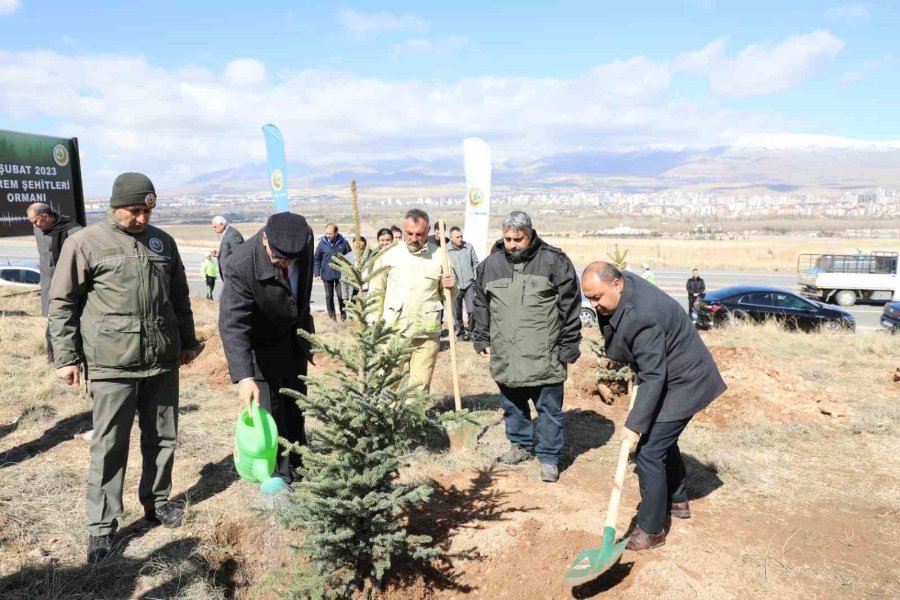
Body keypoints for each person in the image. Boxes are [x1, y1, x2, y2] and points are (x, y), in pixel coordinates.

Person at [48, 172, 199, 563]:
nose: (141, 219)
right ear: (114, 206)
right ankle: (101, 527)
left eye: (147, 212)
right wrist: (66, 357)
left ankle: (157, 502)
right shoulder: (85, 243)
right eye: (134, 211)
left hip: (161, 360)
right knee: (110, 445)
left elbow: (179, 297)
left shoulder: (162, 242)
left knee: (162, 436)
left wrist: (187, 342)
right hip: (111, 363)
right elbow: (62, 303)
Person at [581, 261, 726, 551]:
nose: (594, 305)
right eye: (589, 298)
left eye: (597, 297)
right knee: (660, 440)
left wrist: (634, 426)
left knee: (648, 452)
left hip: (686, 380)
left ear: (617, 284)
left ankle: (651, 529)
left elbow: (653, 375)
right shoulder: (623, 287)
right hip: (670, 372)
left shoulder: (642, 316)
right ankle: (677, 499)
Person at [472, 211, 582, 483]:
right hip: (506, 354)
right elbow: (481, 304)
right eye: (507, 239)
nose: (512, 244)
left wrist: (569, 344)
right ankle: (519, 445)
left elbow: (570, 305)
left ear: (530, 234)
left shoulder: (553, 261)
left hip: (545, 355)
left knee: (549, 410)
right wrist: (481, 337)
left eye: (518, 239)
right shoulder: (490, 266)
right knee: (513, 405)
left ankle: (549, 457)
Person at [219, 212, 315, 491]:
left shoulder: (304, 239)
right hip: (260, 346)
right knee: (271, 413)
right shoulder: (240, 264)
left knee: (295, 406)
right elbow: (233, 324)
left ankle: (299, 462)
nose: (286, 264)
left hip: (293, 339)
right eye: (279, 259)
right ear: (264, 239)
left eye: (291, 260)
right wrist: (244, 377)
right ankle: (279, 479)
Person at [369, 209, 456, 392]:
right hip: (393, 333)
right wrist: (373, 326)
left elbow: (449, 296)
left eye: (419, 234)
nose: (414, 239)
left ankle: (413, 412)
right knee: (387, 385)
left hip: (426, 334)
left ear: (428, 231)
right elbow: (376, 293)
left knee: (419, 387)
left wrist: (451, 286)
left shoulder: (440, 256)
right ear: (403, 229)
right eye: (409, 233)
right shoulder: (388, 255)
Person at [26, 202, 83, 362]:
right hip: (48, 286)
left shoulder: (75, 232)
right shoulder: (38, 231)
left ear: (45, 216)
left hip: (70, 286)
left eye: (35, 221)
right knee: (53, 322)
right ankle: (54, 358)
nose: (34, 225)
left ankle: (70, 357)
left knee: (69, 322)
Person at [447, 226, 479, 342]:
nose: (460, 239)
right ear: (451, 238)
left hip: (469, 285)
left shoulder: (469, 247)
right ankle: (460, 333)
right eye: (457, 237)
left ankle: (471, 332)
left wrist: (475, 278)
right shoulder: (445, 250)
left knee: (472, 310)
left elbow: (476, 263)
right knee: (457, 312)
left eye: (461, 236)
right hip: (455, 286)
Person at [314, 223, 351, 322]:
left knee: (341, 296)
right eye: (326, 233)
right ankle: (332, 318)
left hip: (340, 274)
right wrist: (317, 273)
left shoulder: (344, 243)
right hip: (326, 274)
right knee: (329, 296)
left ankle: (343, 315)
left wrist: (349, 272)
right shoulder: (322, 244)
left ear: (336, 233)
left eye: (330, 233)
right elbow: (317, 258)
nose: (328, 235)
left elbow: (350, 258)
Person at [212, 215, 243, 279]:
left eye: (215, 227)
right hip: (228, 274)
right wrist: (220, 254)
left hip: (232, 275)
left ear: (222, 225)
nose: (214, 229)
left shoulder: (233, 234)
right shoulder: (227, 233)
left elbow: (240, 255)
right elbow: (230, 251)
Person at [342, 235, 370, 303]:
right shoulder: (347, 258)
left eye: (361, 247)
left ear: (365, 246)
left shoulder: (371, 256)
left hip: (368, 290)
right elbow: (344, 278)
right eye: (356, 247)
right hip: (353, 291)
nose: (358, 249)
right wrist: (345, 297)